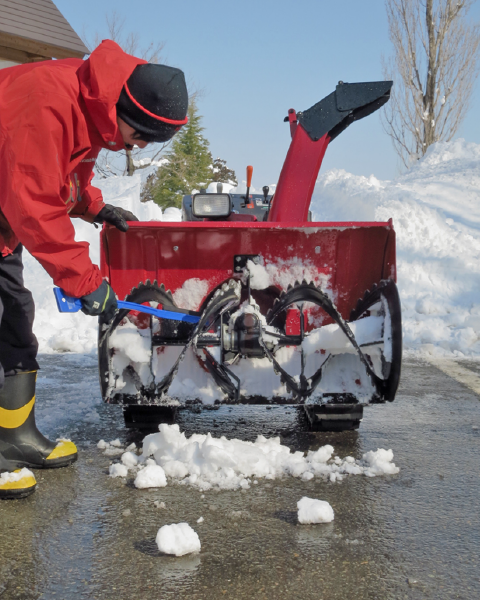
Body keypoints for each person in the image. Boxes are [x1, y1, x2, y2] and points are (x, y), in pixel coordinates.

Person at [0, 40, 189, 499]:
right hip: (11, 210)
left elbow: (59, 175)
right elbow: (34, 203)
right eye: (142, 135)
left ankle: (14, 437)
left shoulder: (91, 106)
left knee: (15, 319)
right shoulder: (47, 102)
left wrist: (93, 206)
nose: (140, 145)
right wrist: (84, 281)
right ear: (126, 110)